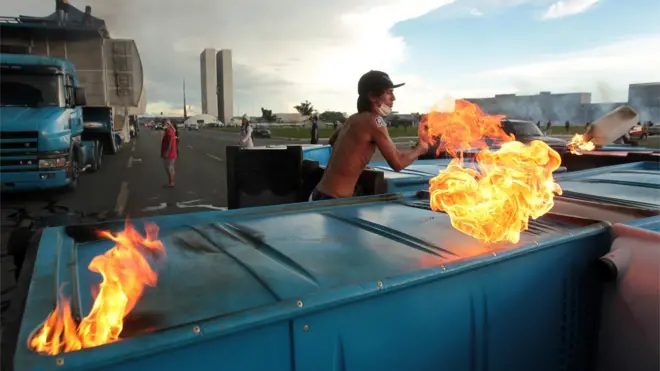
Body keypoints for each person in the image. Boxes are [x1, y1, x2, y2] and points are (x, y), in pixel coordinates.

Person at [308, 70, 429, 201]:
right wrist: (421, 148)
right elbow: (398, 163)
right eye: (388, 92)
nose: (393, 98)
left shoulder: (353, 118)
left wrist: (358, 162)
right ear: (372, 97)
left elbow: (333, 141)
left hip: (318, 193)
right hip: (332, 200)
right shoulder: (375, 121)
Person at [161, 119, 177, 187]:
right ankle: (171, 181)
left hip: (169, 154)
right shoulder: (170, 130)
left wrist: (167, 152)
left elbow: (170, 143)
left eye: (164, 124)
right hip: (172, 153)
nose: (162, 125)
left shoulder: (169, 131)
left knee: (169, 168)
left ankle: (171, 182)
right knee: (171, 168)